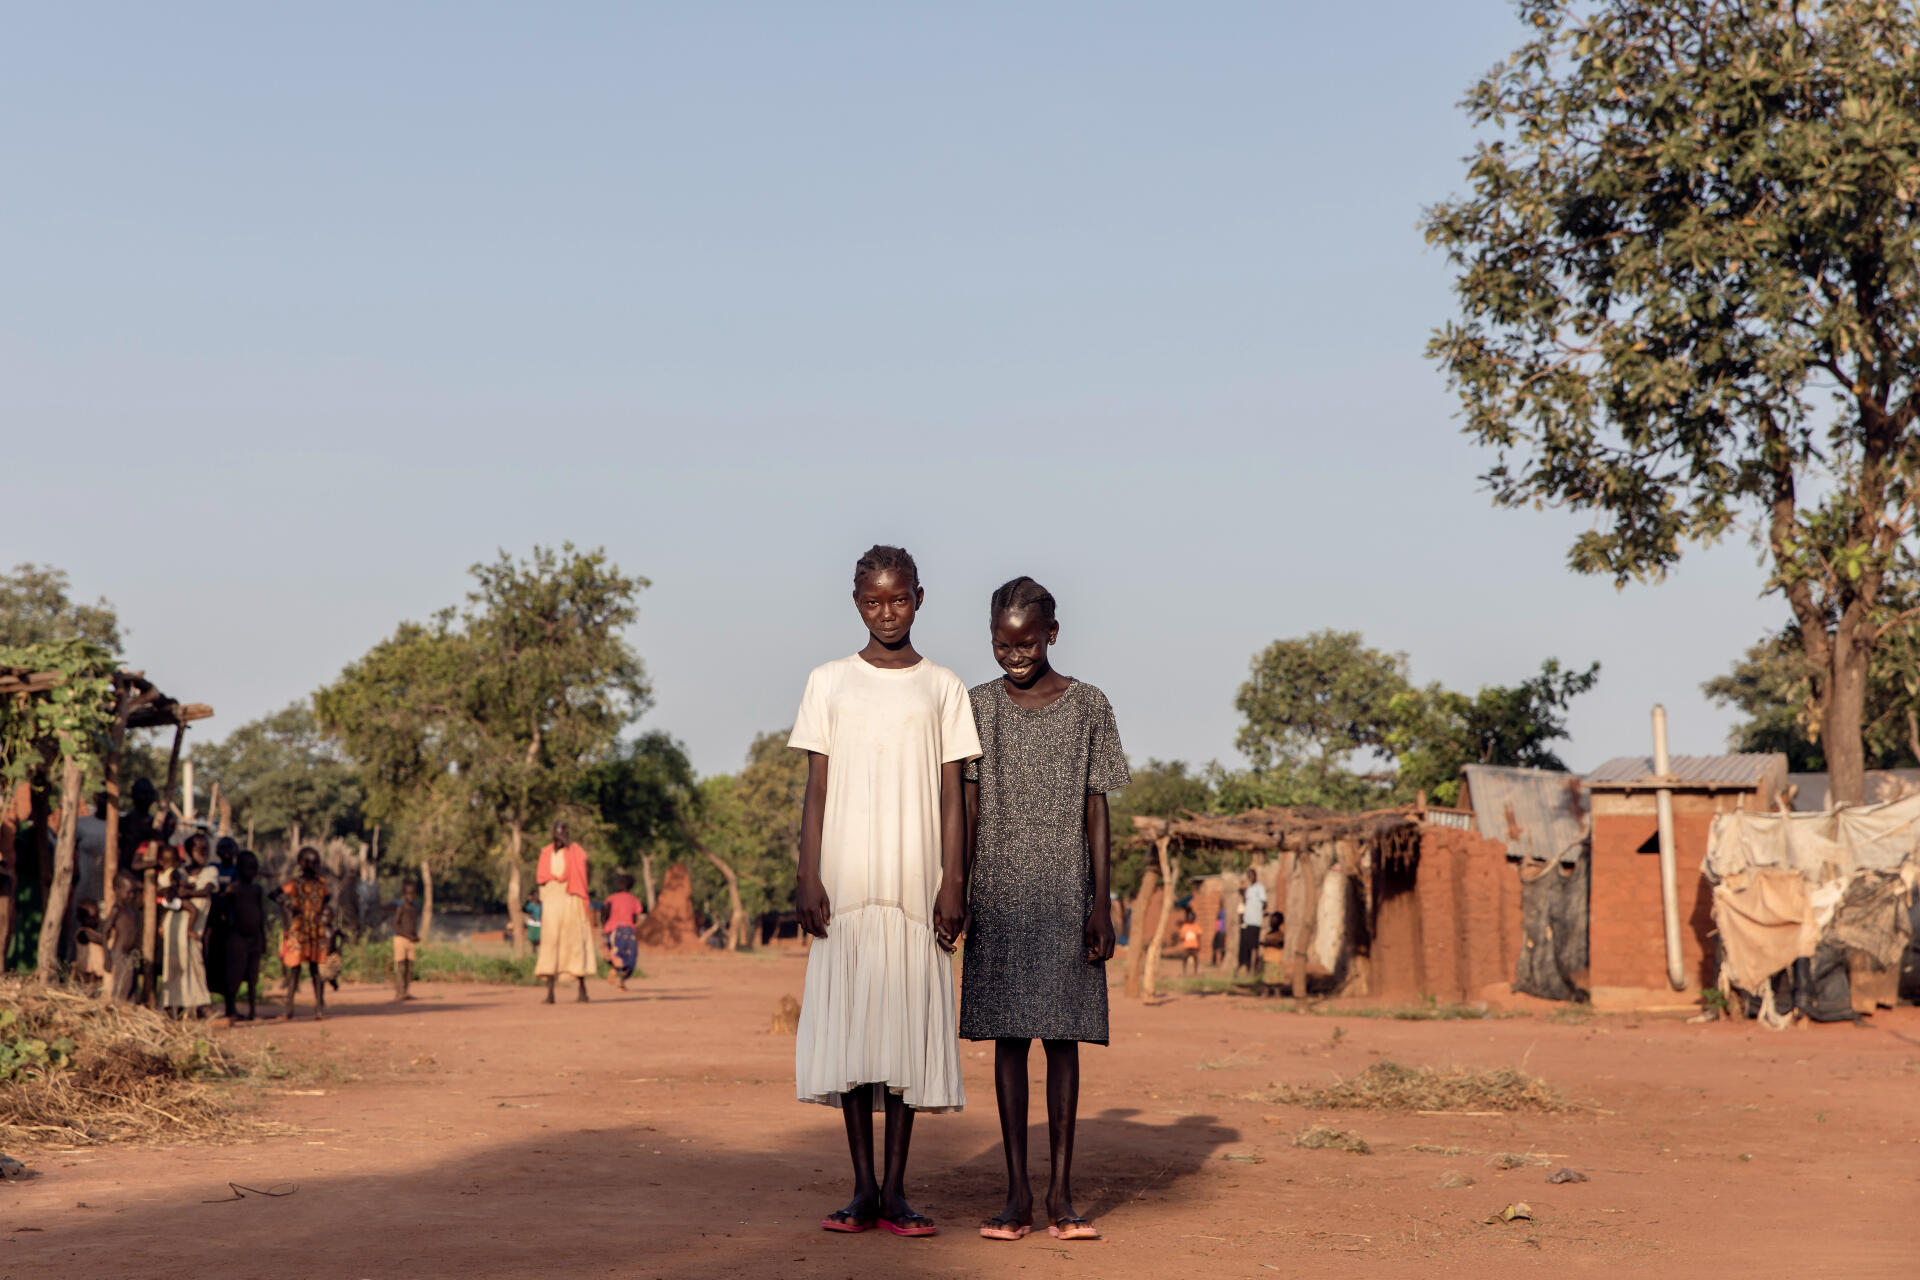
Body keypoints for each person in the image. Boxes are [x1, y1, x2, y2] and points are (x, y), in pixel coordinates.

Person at [790, 544, 979, 1239]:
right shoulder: (828, 682)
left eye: (899, 599)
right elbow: (817, 790)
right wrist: (809, 873)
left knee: (902, 1041)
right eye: (874, 600)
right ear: (856, 602)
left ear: (919, 598)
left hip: (915, 886)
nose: (887, 611)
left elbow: (954, 797)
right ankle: (861, 1189)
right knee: (853, 1042)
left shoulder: (944, 687)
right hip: (846, 886)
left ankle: (897, 1191)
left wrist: (951, 881)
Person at [960, 575, 1127, 1244]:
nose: (1014, 656)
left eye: (1026, 643)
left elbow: (1098, 808)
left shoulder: (1090, 705)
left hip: (1066, 892)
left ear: (1051, 635)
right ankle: (1016, 1194)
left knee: (1063, 1038)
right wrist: (958, 887)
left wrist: (1101, 903)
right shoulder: (976, 707)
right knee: (1008, 1039)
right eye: (1002, 645)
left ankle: (1061, 1195)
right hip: (999, 892)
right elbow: (967, 808)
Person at [534, 820, 598, 1003]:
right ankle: (550, 992)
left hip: (571, 900)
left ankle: (582, 989)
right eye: (557, 833)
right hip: (552, 902)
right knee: (551, 944)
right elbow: (541, 879)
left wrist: (569, 846)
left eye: (564, 832)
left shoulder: (575, 851)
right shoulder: (546, 852)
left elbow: (582, 870)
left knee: (575, 942)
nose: (560, 836)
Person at [277, 846, 334, 1020]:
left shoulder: (321, 884)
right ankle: (289, 1007)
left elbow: (327, 898)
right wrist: (287, 905)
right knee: (295, 970)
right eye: (313, 861)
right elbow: (275, 894)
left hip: (315, 930)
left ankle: (318, 1007)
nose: (316, 865)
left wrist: (322, 911)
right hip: (299, 929)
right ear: (303, 863)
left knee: (316, 970)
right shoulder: (295, 883)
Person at [161, 838, 215, 1017]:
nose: (204, 853)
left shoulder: (210, 871)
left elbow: (207, 890)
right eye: (200, 849)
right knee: (174, 963)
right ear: (190, 851)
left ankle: (201, 1003)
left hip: (194, 926)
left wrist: (187, 893)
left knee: (194, 962)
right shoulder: (179, 871)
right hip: (174, 923)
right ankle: (172, 1004)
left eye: (206, 849)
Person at [223, 851, 268, 1021]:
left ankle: (252, 1010)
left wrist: (263, 938)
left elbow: (260, 914)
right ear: (240, 869)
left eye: (254, 868)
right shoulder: (234, 889)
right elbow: (225, 910)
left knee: (252, 976)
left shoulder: (257, 889)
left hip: (254, 938)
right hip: (237, 937)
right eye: (249, 868)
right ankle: (231, 1009)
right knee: (234, 975)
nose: (252, 871)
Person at [601, 872, 643, 991]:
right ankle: (622, 983)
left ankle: (614, 969)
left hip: (613, 930)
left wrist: (605, 927)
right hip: (628, 931)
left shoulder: (611, 898)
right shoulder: (634, 900)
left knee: (612, 954)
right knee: (629, 957)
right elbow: (635, 918)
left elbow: (604, 913)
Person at [106, 870, 142, 1004]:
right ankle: (117, 1012)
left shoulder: (131, 910)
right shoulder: (117, 910)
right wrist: (107, 957)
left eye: (133, 892)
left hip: (131, 954)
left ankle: (128, 1012)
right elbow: (105, 932)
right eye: (128, 892)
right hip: (120, 953)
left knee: (132, 986)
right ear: (117, 890)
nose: (131, 896)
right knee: (122, 987)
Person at [390, 879, 422, 1001]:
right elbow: (395, 925)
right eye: (408, 894)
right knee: (400, 967)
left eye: (413, 894)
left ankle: (406, 991)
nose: (411, 896)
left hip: (411, 940)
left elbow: (412, 925)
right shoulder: (401, 908)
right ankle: (399, 992)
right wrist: (408, 936)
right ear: (404, 895)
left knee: (410, 967)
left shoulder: (414, 909)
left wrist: (415, 936)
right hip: (400, 940)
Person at [1235, 868, 1267, 978]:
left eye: (1252, 875)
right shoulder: (1248, 889)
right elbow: (1244, 902)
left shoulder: (1260, 888)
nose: (1250, 877)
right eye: (1249, 875)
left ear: (1255, 875)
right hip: (1247, 921)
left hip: (1255, 921)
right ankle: (1246, 968)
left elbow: (1264, 903)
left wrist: (1258, 911)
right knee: (1246, 946)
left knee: (1254, 946)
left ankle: (1253, 969)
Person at [73, 899, 109, 993]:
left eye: (96, 917)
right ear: (82, 918)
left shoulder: (94, 933)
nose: (95, 920)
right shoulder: (83, 933)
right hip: (86, 974)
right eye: (91, 918)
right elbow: (100, 940)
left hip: (97, 974)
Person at [1177, 908, 1203, 976]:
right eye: (1189, 917)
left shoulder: (1196, 926)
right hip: (1187, 946)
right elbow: (1182, 937)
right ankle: (1184, 971)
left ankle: (1195, 971)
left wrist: (1199, 945)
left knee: (1196, 959)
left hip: (1194, 945)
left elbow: (1199, 936)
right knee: (1184, 958)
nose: (1190, 919)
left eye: (1192, 917)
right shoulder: (1185, 926)